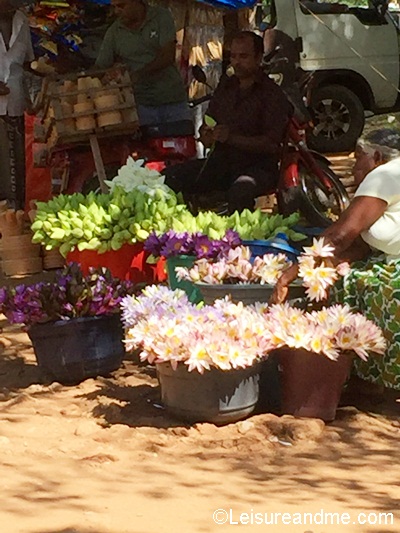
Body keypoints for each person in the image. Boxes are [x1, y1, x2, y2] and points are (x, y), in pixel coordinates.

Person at [272, 127, 400, 391]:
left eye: (358, 158)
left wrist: (296, 269)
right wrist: (328, 262)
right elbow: (363, 243)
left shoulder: (385, 174)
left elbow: (341, 235)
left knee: (345, 284)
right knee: (339, 270)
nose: (354, 169)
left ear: (376, 156)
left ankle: (353, 374)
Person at [164, 31, 292, 214]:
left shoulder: (272, 95)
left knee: (240, 192)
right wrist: (206, 134)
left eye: (244, 56)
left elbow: (271, 144)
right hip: (221, 163)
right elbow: (209, 122)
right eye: (233, 56)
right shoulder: (226, 87)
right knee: (170, 177)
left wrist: (231, 138)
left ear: (258, 58)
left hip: (257, 167)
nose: (237, 62)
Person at [95, 0, 190, 126]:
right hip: (141, 104)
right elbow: (100, 67)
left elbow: (168, 56)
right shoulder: (114, 32)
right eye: (114, 7)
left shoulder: (161, 16)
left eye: (121, 6)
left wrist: (139, 74)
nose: (117, 11)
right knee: (147, 144)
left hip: (172, 99)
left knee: (180, 141)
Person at [0, 0, 34, 210]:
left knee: (16, 165)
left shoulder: (22, 22)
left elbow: (29, 62)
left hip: (16, 103)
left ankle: (15, 216)